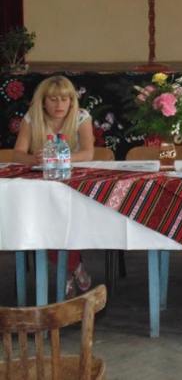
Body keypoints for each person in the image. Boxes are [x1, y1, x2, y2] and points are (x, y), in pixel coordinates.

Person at [13, 75, 95, 298]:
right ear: (43, 102)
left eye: (64, 99)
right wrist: (34, 159)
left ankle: (68, 271)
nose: (59, 105)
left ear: (71, 101)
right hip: (43, 181)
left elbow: (88, 153)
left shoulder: (82, 117)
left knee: (67, 218)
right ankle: (73, 268)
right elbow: (18, 154)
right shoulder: (32, 118)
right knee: (46, 220)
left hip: (74, 181)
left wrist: (60, 157)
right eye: (53, 99)